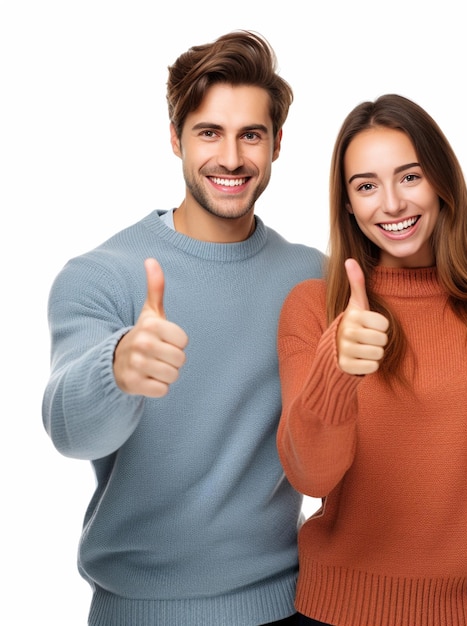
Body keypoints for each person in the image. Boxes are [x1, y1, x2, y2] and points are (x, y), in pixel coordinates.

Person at [42, 30, 325, 626]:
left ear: (277, 143)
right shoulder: (103, 276)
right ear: (175, 139)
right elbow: (68, 429)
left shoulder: (312, 279)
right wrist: (118, 367)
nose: (230, 158)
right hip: (137, 614)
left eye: (251, 134)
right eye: (208, 133)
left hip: (288, 608)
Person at [276, 94, 467, 626]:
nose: (392, 204)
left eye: (410, 176)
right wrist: (336, 373)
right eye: (366, 186)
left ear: (443, 181)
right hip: (338, 611)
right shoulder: (315, 307)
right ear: (348, 204)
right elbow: (311, 476)